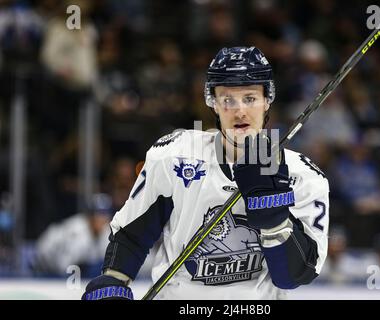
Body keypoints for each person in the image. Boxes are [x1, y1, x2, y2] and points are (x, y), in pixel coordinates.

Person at [82, 47, 330, 300]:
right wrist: (114, 280)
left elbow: (294, 277)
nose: (240, 111)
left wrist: (275, 221)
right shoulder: (174, 157)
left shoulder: (304, 178)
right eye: (227, 100)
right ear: (212, 103)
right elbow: (132, 235)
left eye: (250, 98)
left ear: (268, 100)